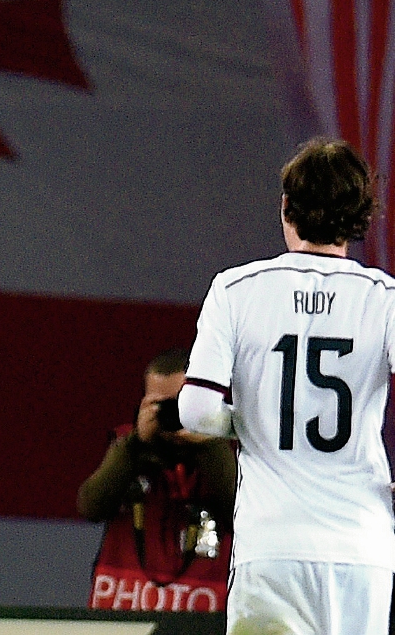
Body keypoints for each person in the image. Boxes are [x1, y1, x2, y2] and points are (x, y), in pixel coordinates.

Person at [177, 139, 395, 634]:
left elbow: (195, 411)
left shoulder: (236, 289)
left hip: (270, 546)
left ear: (286, 207)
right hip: (360, 545)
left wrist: (249, 421)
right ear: (360, 215)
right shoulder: (383, 299)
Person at [78, 349, 234, 612]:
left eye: (181, 404)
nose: (173, 414)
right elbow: (90, 507)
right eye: (161, 405)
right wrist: (135, 444)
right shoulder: (128, 449)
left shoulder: (229, 452)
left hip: (201, 616)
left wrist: (210, 446)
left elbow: (242, 515)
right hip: (124, 609)